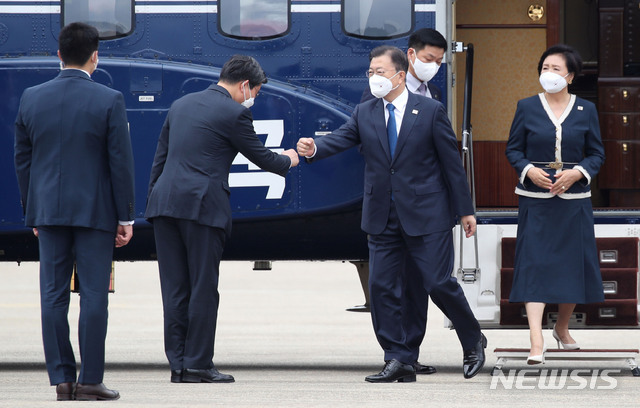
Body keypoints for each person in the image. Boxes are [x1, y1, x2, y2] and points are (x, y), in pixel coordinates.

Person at [297, 45, 486, 382]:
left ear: (400, 75)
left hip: (428, 214)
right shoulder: (365, 111)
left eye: (380, 72)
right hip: (383, 215)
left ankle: (472, 339)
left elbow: (452, 166)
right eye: (370, 72)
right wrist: (314, 149)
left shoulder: (430, 110)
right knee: (383, 287)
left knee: (436, 282)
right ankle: (398, 357)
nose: (373, 78)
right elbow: (340, 139)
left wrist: (465, 211)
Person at [145, 55, 300, 384]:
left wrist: (153, 203)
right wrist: (293, 157)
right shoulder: (235, 113)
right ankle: (199, 364)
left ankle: (178, 365)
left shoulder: (181, 104)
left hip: (164, 206)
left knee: (174, 290)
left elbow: (160, 159)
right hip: (202, 209)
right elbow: (265, 159)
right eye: (255, 90)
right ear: (245, 85)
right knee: (203, 288)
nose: (253, 97)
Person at [14, 22, 135, 401]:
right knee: (95, 295)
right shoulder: (109, 99)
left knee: (52, 295)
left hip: (47, 212)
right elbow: (120, 162)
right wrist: (126, 217)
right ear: (95, 56)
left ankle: (63, 380)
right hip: (96, 214)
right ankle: (91, 380)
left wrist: (33, 211)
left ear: (58, 55)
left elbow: (23, 160)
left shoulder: (31, 98)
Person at [505, 44, 605, 364]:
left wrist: (577, 173)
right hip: (536, 201)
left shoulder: (586, 110)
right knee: (534, 265)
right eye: (544, 67)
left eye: (555, 69)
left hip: (574, 201)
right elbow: (514, 150)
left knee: (571, 266)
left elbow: (597, 154)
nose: (548, 74)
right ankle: (536, 340)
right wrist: (529, 170)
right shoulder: (526, 107)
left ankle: (561, 328)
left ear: (570, 76)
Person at [360, 28, 448, 376]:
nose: (434, 67)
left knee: (417, 287)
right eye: (429, 59)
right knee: (384, 284)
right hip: (385, 206)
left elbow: (444, 158)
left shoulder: (433, 99)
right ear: (410, 58)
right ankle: (396, 354)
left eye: (439, 61)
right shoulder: (374, 97)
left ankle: (409, 354)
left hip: (422, 208)